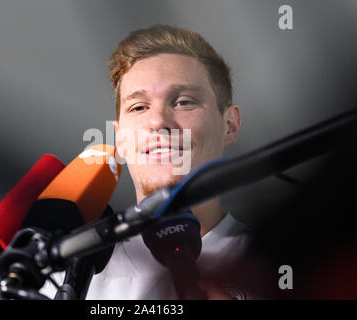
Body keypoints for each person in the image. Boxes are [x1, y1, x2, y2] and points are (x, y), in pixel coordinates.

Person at [41, 24, 251, 300]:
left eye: (184, 102)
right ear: (121, 140)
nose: (158, 123)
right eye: (139, 107)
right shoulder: (65, 277)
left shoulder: (284, 262)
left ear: (230, 124)